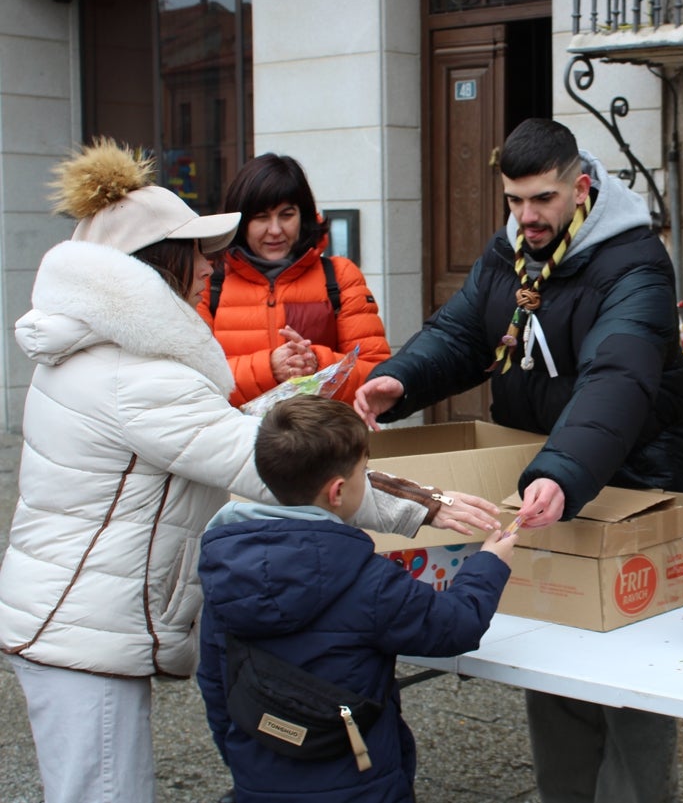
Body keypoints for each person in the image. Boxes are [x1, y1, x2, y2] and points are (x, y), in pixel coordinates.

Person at [0, 139, 500, 803]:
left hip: (70, 614)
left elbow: (219, 434)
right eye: (199, 258)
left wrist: (279, 400)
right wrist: (424, 506)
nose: (210, 272)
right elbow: (269, 466)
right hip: (81, 628)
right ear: (158, 269)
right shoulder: (136, 376)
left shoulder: (99, 352)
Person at [355, 118, 683, 803]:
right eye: (513, 200)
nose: (526, 216)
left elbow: (617, 379)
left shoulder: (633, 261)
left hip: (635, 483)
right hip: (552, 479)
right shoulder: (511, 251)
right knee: (552, 652)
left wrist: (561, 468)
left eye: (541, 198)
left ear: (581, 185)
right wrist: (400, 381)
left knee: (633, 674)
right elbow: (461, 332)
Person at [195, 395, 514, 803]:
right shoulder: (367, 578)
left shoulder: (224, 570)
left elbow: (215, 681)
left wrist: (243, 759)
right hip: (360, 783)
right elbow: (454, 625)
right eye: (366, 471)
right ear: (338, 490)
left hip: (258, 777)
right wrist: (488, 564)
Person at [199, 153, 392, 408]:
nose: (275, 230)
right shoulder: (208, 281)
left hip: (320, 442)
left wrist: (318, 365)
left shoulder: (339, 276)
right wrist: (269, 369)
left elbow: (376, 377)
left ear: (304, 216)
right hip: (235, 443)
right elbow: (192, 380)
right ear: (241, 221)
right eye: (261, 217)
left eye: (286, 214)